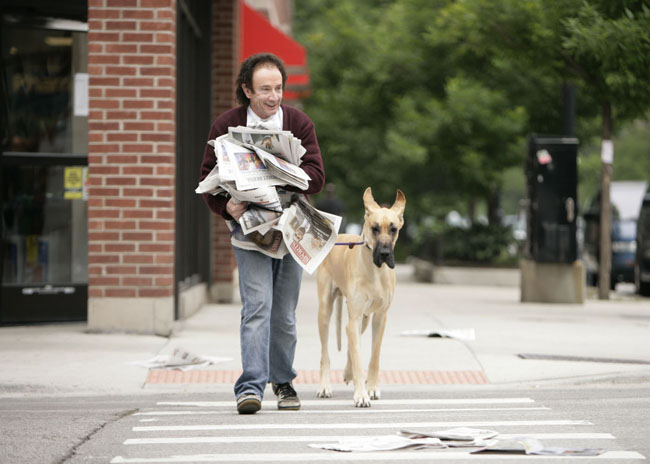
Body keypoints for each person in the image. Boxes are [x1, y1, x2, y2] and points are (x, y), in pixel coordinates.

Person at [199, 53, 325, 414]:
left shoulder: (299, 123)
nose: (273, 97)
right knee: (257, 308)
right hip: (249, 232)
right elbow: (208, 180)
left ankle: (283, 383)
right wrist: (227, 207)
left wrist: (281, 172)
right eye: (265, 89)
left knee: (284, 314)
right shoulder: (226, 124)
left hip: (291, 231)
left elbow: (316, 176)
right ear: (247, 90)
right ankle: (250, 387)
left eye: (279, 88)